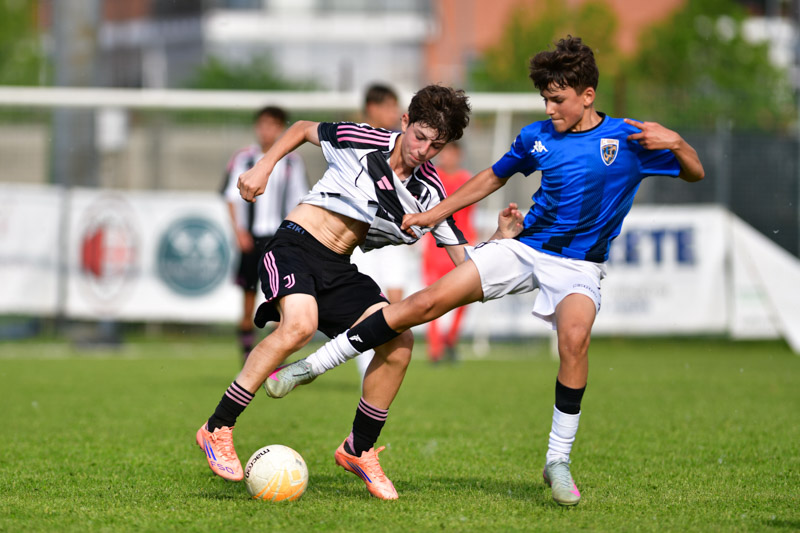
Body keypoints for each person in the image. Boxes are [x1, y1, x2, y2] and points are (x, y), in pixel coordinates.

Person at [265, 36, 705, 506]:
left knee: (575, 340)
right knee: (424, 303)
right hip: (525, 247)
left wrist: (677, 143)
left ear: (588, 96)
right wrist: (435, 214)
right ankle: (311, 367)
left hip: (579, 264)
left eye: (557, 100)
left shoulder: (630, 139)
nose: (549, 108)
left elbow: (694, 172)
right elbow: (492, 177)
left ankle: (557, 460)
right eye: (545, 99)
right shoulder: (536, 137)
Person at [195, 84, 523, 500]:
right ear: (405, 121)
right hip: (295, 244)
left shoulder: (430, 193)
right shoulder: (364, 139)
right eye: (420, 137)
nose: (423, 151)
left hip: (339, 267)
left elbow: (466, 263)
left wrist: (500, 238)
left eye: (435, 146)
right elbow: (302, 128)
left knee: (398, 342)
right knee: (300, 326)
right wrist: (264, 166)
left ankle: (358, 449)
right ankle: (217, 427)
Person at [221, 106, 309, 362]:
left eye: (272, 125)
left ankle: (272, 359)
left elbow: (300, 199)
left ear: (281, 129)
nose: (266, 130)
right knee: (248, 301)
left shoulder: (292, 162)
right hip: (251, 238)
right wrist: (239, 232)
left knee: (281, 302)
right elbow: (230, 197)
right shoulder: (244, 158)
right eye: (262, 124)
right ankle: (246, 358)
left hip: (279, 240)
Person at [351, 83, 407, 379]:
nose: (395, 113)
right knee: (367, 304)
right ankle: (366, 370)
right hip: (363, 236)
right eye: (389, 106)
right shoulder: (352, 139)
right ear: (372, 108)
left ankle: (385, 366)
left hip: (393, 235)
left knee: (397, 301)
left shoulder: (400, 142)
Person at [422, 141, 476, 363]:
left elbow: (469, 216)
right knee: (431, 298)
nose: (447, 158)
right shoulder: (431, 178)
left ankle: (451, 339)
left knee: (466, 297)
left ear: (459, 155)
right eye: (444, 153)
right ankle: (435, 349)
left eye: (451, 153)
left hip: (462, 245)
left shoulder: (467, 180)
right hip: (435, 249)